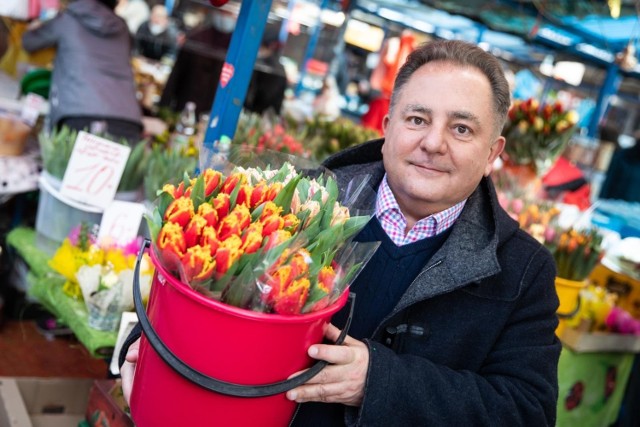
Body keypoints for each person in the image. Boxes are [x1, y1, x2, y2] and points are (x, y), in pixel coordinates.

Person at [120, 40, 561, 425]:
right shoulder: (293, 204)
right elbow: (196, 296)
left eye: (461, 128)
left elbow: (527, 411)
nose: (433, 142)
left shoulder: (523, 270)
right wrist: (142, 357)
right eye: (417, 119)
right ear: (387, 128)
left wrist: (379, 382)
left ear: (491, 153)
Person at [22, 0, 143, 143]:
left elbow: (29, 42)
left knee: (68, 164)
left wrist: (35, 27)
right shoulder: (122, 28)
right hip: (127, 119)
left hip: (79, 112)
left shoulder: (67, 20)